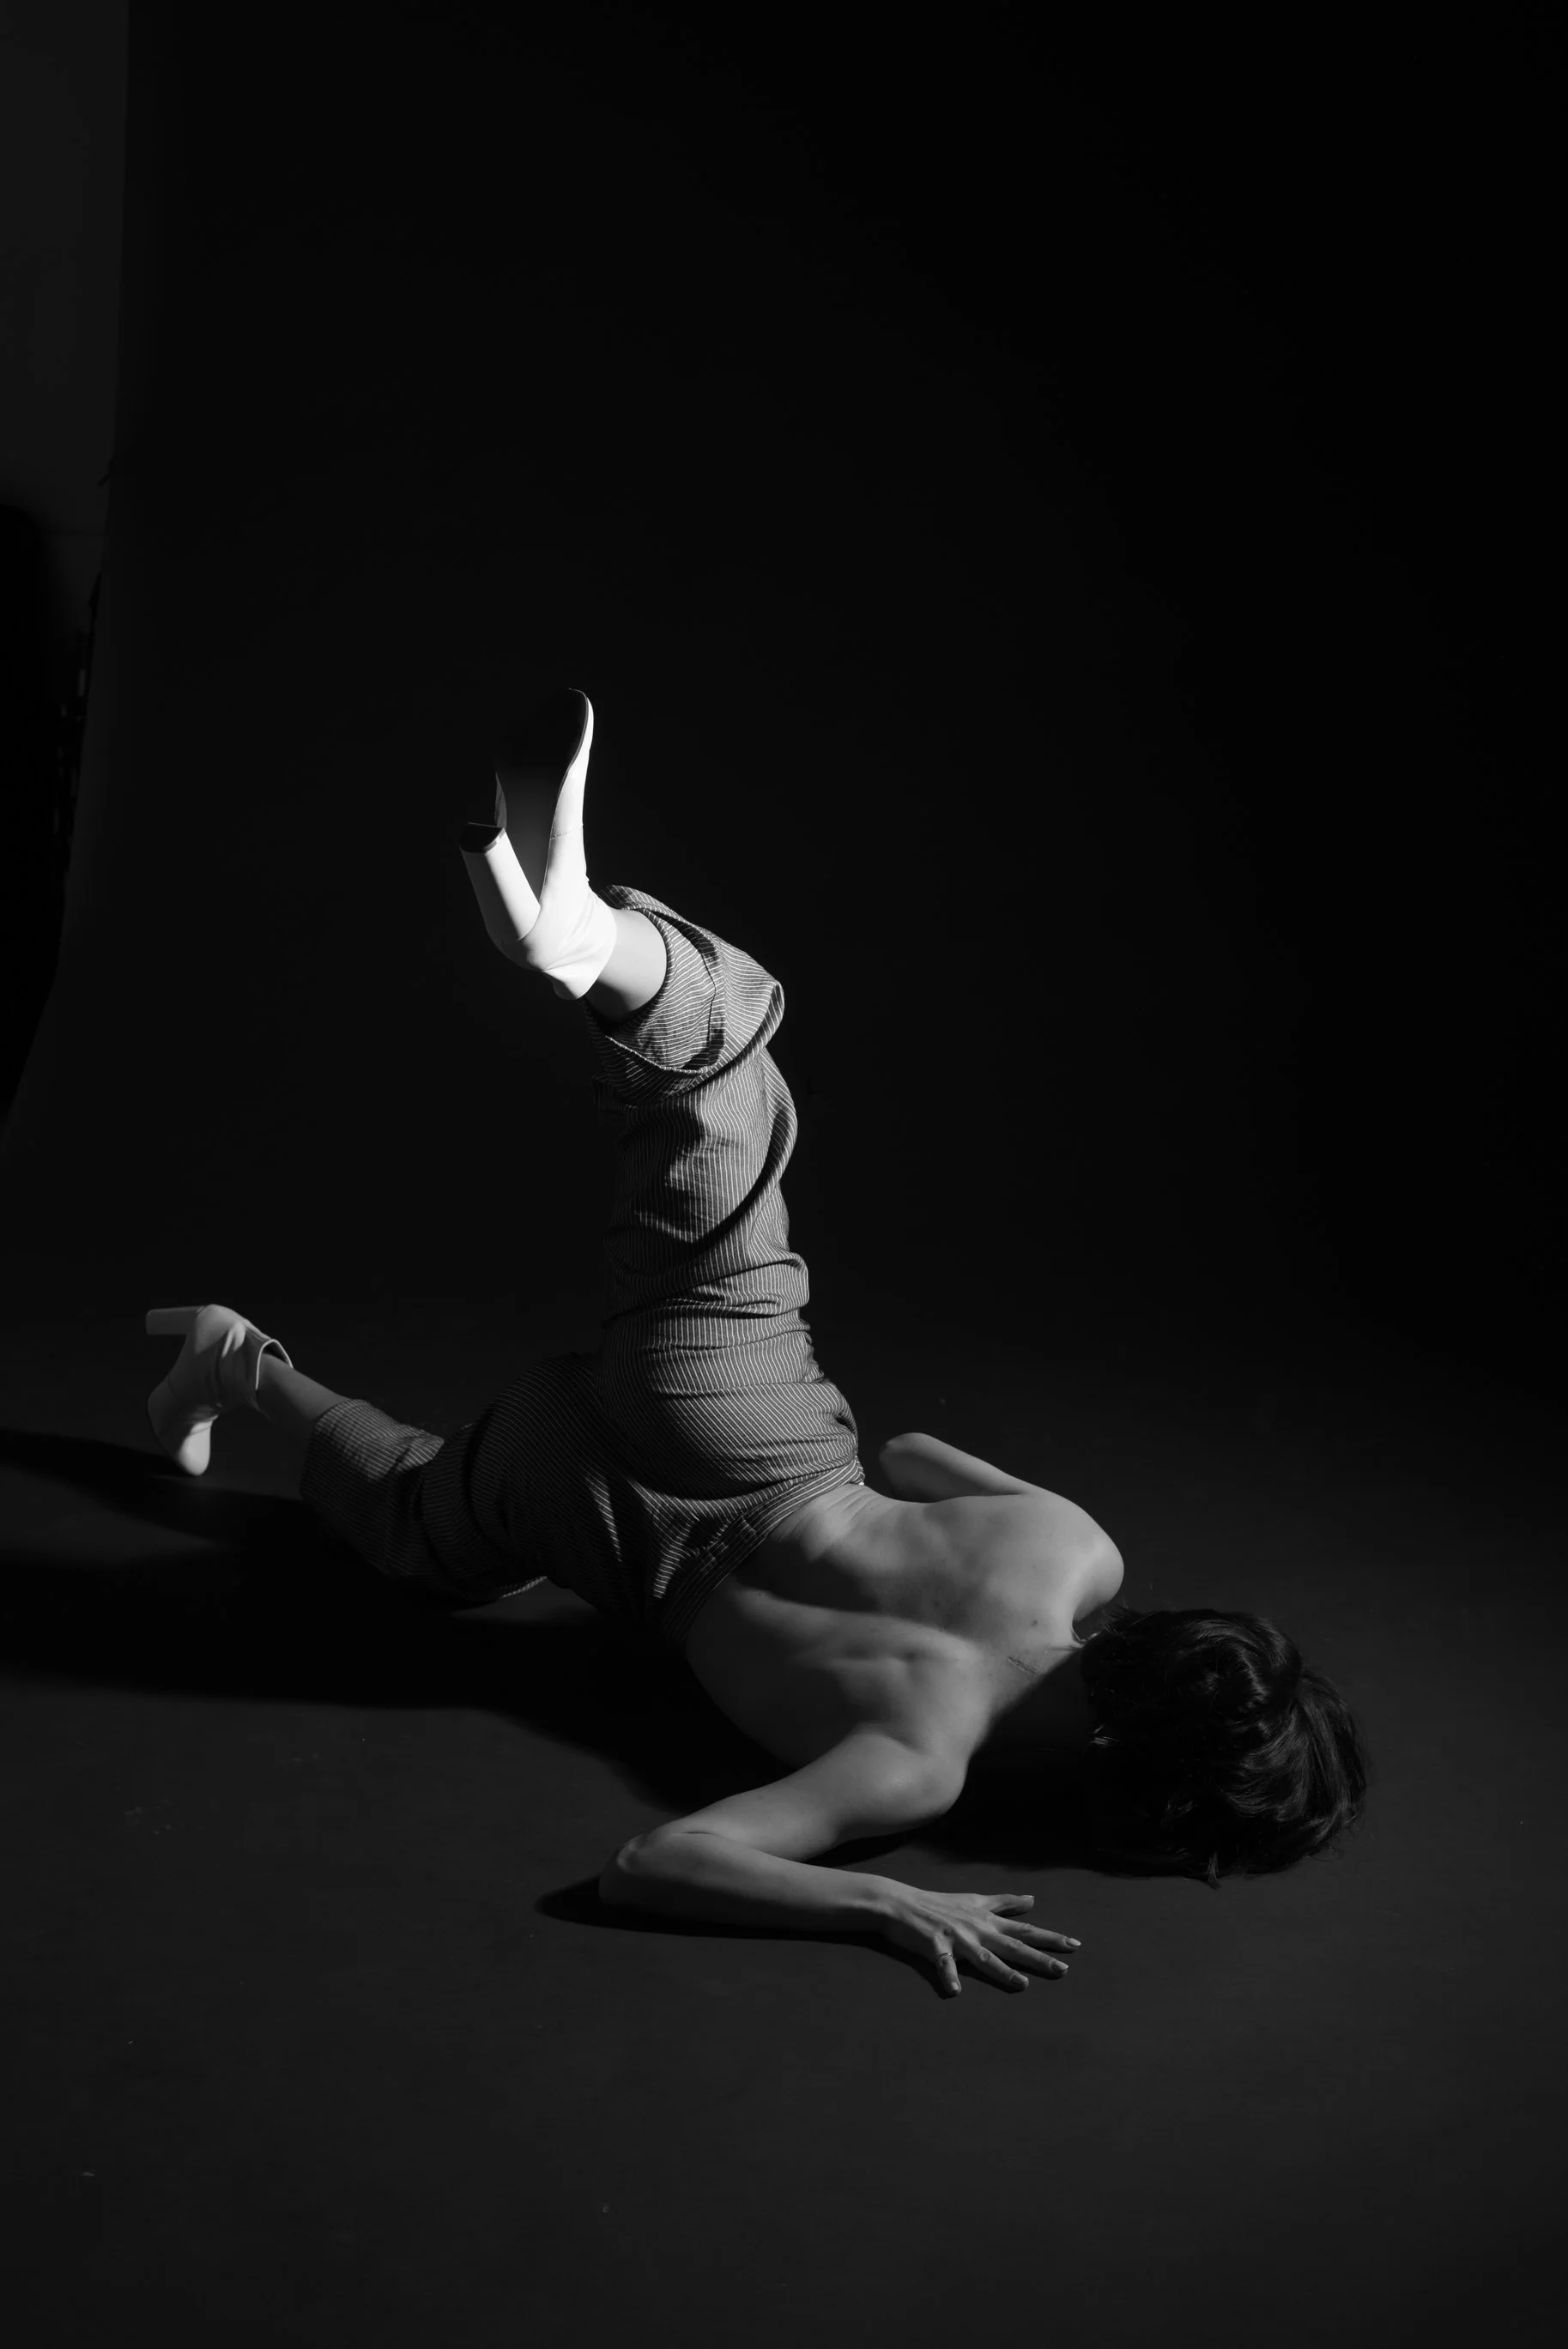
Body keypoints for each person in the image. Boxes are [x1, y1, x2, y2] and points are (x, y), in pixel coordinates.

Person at [143, 691, 1368, 2000]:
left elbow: (912, 1452)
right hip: (602, 1532)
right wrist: (887, 1900)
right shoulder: (915, 1761)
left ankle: (599, 948)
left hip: (741, 1418)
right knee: (414, 1526)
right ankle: (238, 1361)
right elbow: (654, 1862)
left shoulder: (1070, 1549)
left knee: (728, 1110)